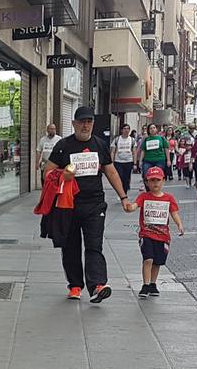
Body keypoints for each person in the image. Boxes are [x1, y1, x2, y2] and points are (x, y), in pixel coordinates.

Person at [46, 105, 135, 301]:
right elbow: (47, 172)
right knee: (71, 247)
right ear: (73, 124)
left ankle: (97, 285)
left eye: (89, 122)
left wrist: (124, 198)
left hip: (94, 204)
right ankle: (75, 286)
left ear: (93, 124)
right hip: (68, 205)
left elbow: (110, 172)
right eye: (81, 122)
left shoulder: (100, 145)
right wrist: (63, 175)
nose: (85, 126)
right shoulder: (63, 146)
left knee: (95, 245)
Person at [134, 166, 184, 297]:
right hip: (146, 234)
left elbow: (174, 212)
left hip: (162, 236)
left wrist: (179, 224)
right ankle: (145, 285)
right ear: (147, 182)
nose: (155, 183)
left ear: (163, 181)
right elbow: (134, 205)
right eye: (151, 180)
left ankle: (152, 284)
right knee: (148, 259)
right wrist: (129, 206)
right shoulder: (143, 197)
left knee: (157, 262)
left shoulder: (168, 198)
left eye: (157, 180)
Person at [111, 122, 139, 192]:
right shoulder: (117, 139)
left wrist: (135, 163)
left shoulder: (132, 140)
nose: (126, 130)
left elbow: (134, 152)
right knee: (120, 177)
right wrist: (111, 162)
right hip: (118, 162)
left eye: (128, 129)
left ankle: (125, 191)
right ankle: (121, 191)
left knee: (126, 178)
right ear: (121, 130)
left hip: (128, 161)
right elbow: (113, 151)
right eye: (124, 129)